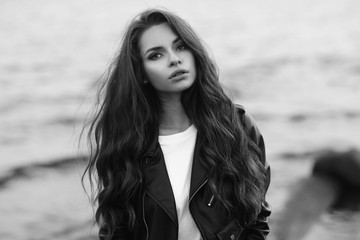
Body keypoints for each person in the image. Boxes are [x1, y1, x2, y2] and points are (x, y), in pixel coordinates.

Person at [83, 8, 271, 240]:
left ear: (194, 53)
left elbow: (257, 218)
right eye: (156, 55)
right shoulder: (128, 143)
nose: (174, 59)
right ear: (141, 72)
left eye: (180, 46)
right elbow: (115, 230)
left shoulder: (237, 128)